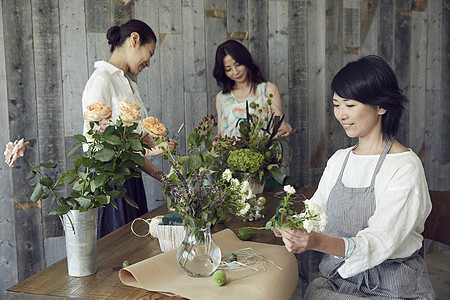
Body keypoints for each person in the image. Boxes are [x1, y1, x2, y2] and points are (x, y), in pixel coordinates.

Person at [274, 55, 435, 299]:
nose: (341, 115)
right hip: (337, 281)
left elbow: (379, 241)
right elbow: (315, 214)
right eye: (337, 105)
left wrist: (315, 242)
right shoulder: (340, 159)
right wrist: (292, 227)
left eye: (350, 105)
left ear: (381, 106)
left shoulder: (405, 166)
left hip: (392, 286)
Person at [82, 19, 178, 238]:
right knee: (118, 249)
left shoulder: (129, 85)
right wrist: (153, 153)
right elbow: (99, 147)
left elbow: (131, 148)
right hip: (111, 184)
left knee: (136, 246)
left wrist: (156, 149)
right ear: (135, 39)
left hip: (131, 180)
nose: (149, 63)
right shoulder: (101, 80)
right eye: (150, 53)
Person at [213, 40, 292, 138]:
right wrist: (215, 141)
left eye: (238, 65)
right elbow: (220, 133)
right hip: (232, 152)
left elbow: (280, 124)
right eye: (228, 69)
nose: (235, 72)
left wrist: (287, 128)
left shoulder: (268, 90)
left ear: (245, 61)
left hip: (265, 152)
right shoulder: (222, 97)